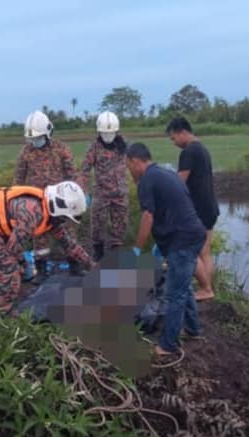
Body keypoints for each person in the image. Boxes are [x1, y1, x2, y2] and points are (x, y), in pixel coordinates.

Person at [0, 181, 93, 315]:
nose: (64, 221)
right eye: (65, 217)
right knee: (7, 265)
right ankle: (5, 314)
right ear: (60, 208)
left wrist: (92, 265)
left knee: (1, 262)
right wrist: (21, 264)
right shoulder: (32, 213)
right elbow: (12, 249)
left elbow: (70, 245)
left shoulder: (50, 215)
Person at [126, 143, 206, 356]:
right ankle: (194, 330)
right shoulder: (166, 173)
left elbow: (147, 216)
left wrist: (137, 249)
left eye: (128, 166)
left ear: (135, 162)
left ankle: (168, 345)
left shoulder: (147, 181)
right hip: (192, 234)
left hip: (183, 239)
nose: (129, 171)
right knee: (183, 286)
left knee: (173, 294)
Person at [13, 110, 80, 280]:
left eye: (38, 137)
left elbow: (72, 174)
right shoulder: (26, 152)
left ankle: (75, 265)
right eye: (32, 138)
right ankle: (41, 271)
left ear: (48, 132)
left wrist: (78, 195)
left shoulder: (61, 149)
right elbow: (18, 178)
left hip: (60, 202)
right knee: (39, 237)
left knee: (68, 234)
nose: (36, 141)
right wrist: (14, 201)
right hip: (37, 203)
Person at [166, 117, 220, 301]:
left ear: (182, 132)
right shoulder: (202, 148)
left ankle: (206, 288)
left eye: (173, 139)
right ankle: (207, 287)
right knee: (204, 251)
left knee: (191, 249)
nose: (174, 143)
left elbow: (179, 183)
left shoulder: (189, 152)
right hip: (210, 207)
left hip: (198, 210)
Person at [79, 111, 128, 262]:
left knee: (119, 228)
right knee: (97, 226)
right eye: (105, 133)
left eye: (111, 133)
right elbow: (85, 170)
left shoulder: (123, 144)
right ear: (99, 132)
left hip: (120, 194)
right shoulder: (94, 147)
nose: (108, 136)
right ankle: (98, 254)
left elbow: (134, 162)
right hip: (101, 194)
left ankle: (116, 256)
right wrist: (83, 190)